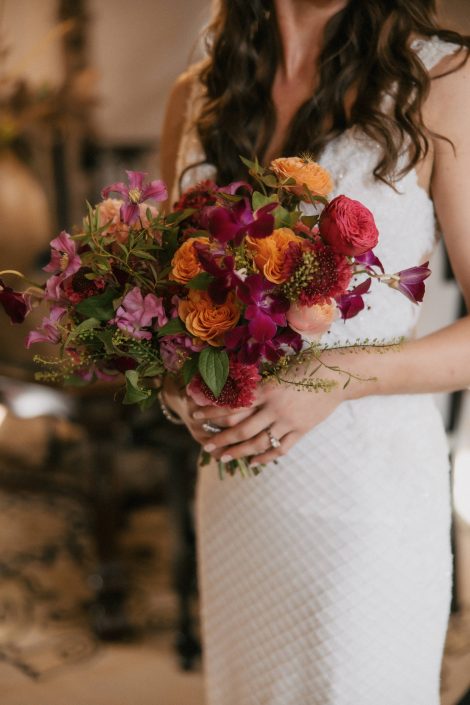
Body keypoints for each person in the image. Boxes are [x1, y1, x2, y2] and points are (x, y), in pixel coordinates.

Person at [160, 1, 470, 703]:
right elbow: (169, 308)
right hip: (238, 496)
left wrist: (332, 377)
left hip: (368, 501)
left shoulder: (444, 80)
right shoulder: (198, 94)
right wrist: (181, 385)